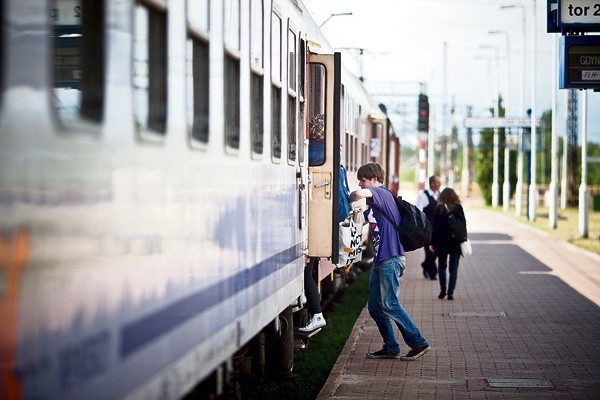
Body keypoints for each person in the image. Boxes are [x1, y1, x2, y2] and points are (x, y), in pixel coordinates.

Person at [349, 162, 430, 360]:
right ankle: (391, 347)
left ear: (375, 179)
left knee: (389, 303)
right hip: (380, 261)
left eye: (364, 179)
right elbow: (360, 219)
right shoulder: (375, 206)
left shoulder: (382, 194)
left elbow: (358, 195)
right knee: (376, 308)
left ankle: (418, 342)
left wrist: (351, 195)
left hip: (391, 260)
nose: (361, 182)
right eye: (360, 179)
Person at [429, 188, 466, 301]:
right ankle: (450, 293)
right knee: (453, 268)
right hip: (455, 242)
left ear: (442, 197)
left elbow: (434, 228)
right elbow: (463, 224)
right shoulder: (458, 207)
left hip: (442, 243)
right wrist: (463, 239)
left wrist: (432, 243)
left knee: (442, 266)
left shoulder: (439, 208)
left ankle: (442, 291)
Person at [416, 175, 441, 280]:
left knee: (438, 250)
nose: (439, 184)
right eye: (437, 182)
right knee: (429, 251)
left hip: (439, 229)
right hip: (427, 229)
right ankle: (433, 273)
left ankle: (426, 265)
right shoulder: (423, 196)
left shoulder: (440, 195)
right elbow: (418, 212)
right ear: (432, 183)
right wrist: (420, 228)